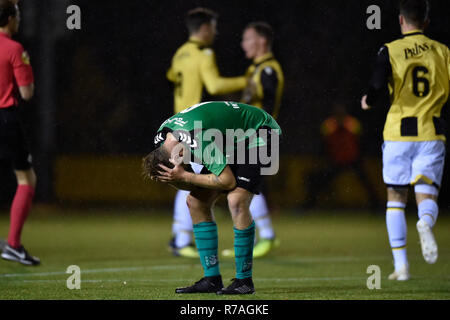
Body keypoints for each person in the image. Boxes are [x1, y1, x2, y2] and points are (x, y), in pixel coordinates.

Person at [142, 101, 281, 294]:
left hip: (259, 132)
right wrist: (177, 178)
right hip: (229, 138)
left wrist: (185, 175)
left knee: (236, 200)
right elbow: (191, 183)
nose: (189, 164)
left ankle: (244, 281)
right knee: (195, 202)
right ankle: (212, 279)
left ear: (178, 154)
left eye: (184, 163)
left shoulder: (196, 139)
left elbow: (227, 181)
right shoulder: (164, 142)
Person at [361, 0, 449, 281]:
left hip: (398, 131)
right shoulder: (443, 51)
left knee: (396, 199)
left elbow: (376, 85)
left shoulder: (390, 49)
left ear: (401, 20)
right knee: (426, 192)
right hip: (431, 131)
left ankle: (402, 267)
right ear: (426, 20)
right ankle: (425, 222)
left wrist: (368, 101)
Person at [165, 8, 248, 259]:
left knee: (188, 178)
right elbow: (214, 85)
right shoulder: (205, 53)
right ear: (203, 29)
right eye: (214, 26)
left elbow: (171, 75)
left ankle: (179, 237)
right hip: (194, 126)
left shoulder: (180, 53)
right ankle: (180, 239)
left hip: (176, 122)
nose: (216, 31)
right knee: (191, 180)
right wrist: (246, 80)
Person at [222, 21, 284, 258]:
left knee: (245, 186)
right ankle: (264, 237)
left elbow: (267, 108)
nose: (243, 44)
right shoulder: (255, 70)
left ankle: (266, 236)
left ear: (262, 41)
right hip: (250, 137)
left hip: (260, 137)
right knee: (247, 187)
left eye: (247, 38)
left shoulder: (268, 70)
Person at [0, 0, 39, 266]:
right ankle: (13, 244)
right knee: (26, 179)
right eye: (18, 15)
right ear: (11, 18)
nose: (20, 20)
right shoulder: (15, 49)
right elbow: (26, 93)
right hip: (5, 118)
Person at [302, 103, 378, 209]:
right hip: (335, 162)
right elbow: (322, 146)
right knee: (318, 181)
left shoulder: (353, 124)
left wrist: (361, 159)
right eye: (337, 114)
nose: (340, 117)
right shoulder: (328, 125)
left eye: (341, 114)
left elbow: (361, 144)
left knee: (367, 182)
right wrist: (324, 161)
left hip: (352, 161)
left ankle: (376, 205)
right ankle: (308, 205)